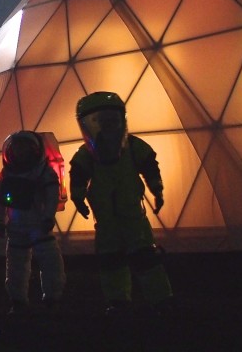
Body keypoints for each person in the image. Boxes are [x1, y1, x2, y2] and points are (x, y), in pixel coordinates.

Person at [69, 91, 174, 316]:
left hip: (132, 217)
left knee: (145, 258)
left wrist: (157, 188)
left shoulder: (132, 147)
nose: (107, 127)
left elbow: (149, 166)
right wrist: (77, 197)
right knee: (111, 260)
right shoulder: (87, 154)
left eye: (111, 121)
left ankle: (160, 298)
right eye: (100, 121)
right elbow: (77, 176)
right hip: (107, 221)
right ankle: (118, 300)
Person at [0, 130, 66, 314]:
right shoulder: (8, 173)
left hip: (38, 224)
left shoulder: (43, 172)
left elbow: (51, 197)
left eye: (24, 147)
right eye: (17, 147)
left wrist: (48, 217)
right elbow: (0, 199)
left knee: (50, 263)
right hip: (17, 226)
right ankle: (18, 301)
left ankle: (52, 298)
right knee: (16, 265)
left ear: (34, 149)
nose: (20, 151)